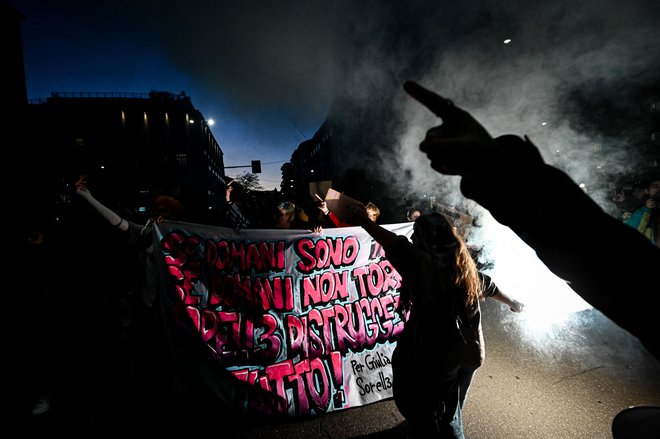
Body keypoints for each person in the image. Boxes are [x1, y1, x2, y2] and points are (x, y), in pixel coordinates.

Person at [402, 80, 660, 362]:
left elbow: (618, 270)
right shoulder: (453, 271)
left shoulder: (433, 268)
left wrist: (511, 177)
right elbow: (625, 272)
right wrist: (512, 177)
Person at [345, 207, 515, 438]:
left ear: (428, 239)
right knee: (452, 404)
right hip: (472, 354)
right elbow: (490, 286)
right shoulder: (462, 265)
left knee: (431, 411)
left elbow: (396, 244)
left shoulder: (421, 265)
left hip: (440, 355)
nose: (413, 237)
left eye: (417, 233)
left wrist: (366, 223)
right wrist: (513, 302)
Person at [74, 176, 183, 423]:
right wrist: (86, 196)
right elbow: (117, 222)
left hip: (172, 308)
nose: (158, 216)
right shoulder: (146, 233)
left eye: (163, 213)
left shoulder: (181, 239)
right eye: (156, 211)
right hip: (148, 303)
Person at [622, 177, 659, 247]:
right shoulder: (634, 210)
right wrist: (646, 209)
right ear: (647, 191)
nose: (659, 189)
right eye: (655, 186)